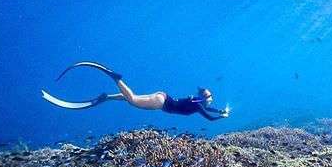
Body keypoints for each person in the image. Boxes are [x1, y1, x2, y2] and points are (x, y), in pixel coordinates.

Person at [41, 61, 230, 121]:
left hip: (162, 96)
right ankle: (116, 78)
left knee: (133, 98)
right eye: (211, 98)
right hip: (161, 102)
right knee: (132, 100)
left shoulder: (197, 102)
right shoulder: (198, 106)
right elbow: (210, 118)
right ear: (205, 98)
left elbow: (209, 110)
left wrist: (221, 110)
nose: (211, 101)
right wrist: (223, 116)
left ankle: (107, 97)